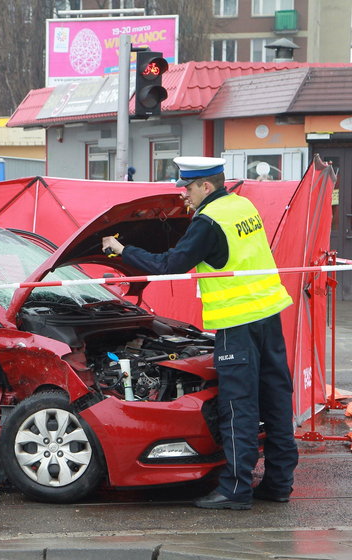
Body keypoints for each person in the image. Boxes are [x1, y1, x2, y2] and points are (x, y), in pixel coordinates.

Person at [101, 156, 297, 511]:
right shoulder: (241, 204)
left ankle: (235, 491)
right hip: (268, 315)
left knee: (238, 406)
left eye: (188, 188)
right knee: (277, 399)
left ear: (206, 186)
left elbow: (169, 266)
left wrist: (123, 250)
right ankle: (280, 482)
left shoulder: (208, 221)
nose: (184, 197)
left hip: (237, 323)